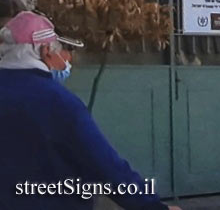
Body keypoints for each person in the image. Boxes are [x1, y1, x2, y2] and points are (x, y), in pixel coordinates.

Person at [0, 11, 178, 209]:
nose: (67, 60)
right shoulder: (58, 102)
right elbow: (105, 165)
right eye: (61, 51)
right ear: (46, 51)